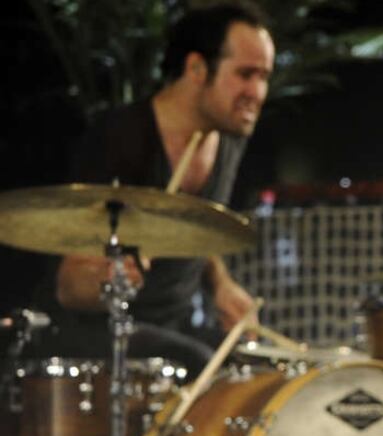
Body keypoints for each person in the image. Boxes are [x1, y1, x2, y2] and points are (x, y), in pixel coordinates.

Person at [35, 0, 275, 376]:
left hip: (175, 327)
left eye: (264, 77)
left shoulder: (228, 136)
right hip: (98, 334)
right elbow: (69, 287)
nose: (257, 92)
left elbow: (190, 225)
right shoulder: (120, 138)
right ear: (196, 68)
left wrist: (221, 285)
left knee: (265, 371)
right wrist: (105, 279)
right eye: (246, 74)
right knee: (199, 363)